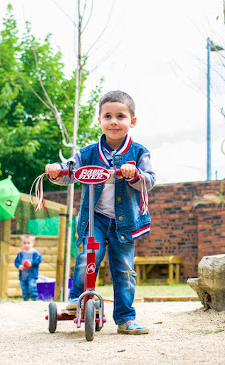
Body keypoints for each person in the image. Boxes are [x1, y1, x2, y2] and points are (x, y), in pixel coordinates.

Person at [46, 90, 155, 335]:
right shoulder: (87, 154)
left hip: (124, 223)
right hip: (94, 220)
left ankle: (126, 318)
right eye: (107, 116)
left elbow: (149, 181)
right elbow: (69, 171)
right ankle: (79, 300)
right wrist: (56, 171)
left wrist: (133, 174)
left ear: (132, 122)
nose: (114, 121)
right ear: (99, 121)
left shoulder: (138, 153)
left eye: (120, 116)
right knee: (87, 257)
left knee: (124, 269)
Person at [14, 233, 43, 301]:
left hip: (32, 275)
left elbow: (39, 260)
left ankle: (34, 299)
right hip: (23, 275)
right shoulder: (20, 254)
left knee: (32, 286)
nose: (26, 245)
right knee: (24, 287)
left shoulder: (35, 253)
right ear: (21, 243)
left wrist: (32, 263)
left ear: (33, 243)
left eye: (28, 243)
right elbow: (16, 262)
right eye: (24, 243)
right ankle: (25, 299)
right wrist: (19, 266)